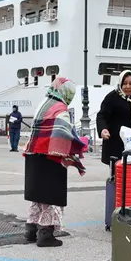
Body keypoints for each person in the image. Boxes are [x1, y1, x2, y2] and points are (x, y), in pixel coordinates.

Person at [23, 77, 86, 247]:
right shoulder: (60, 108)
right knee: (50, 197)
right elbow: (65, 134)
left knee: (37, 196)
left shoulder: (44, 103)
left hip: (34, 155)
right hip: (50, 157)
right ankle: (45, 235)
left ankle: (31, 230)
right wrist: (81, 145)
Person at [96, 70, 131, 165]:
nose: (128, 86)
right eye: (125, 83)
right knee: (116, 174)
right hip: (116, 142)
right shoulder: (112, 97)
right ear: (120, 84)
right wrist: (103, 129)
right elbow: (102, 115)